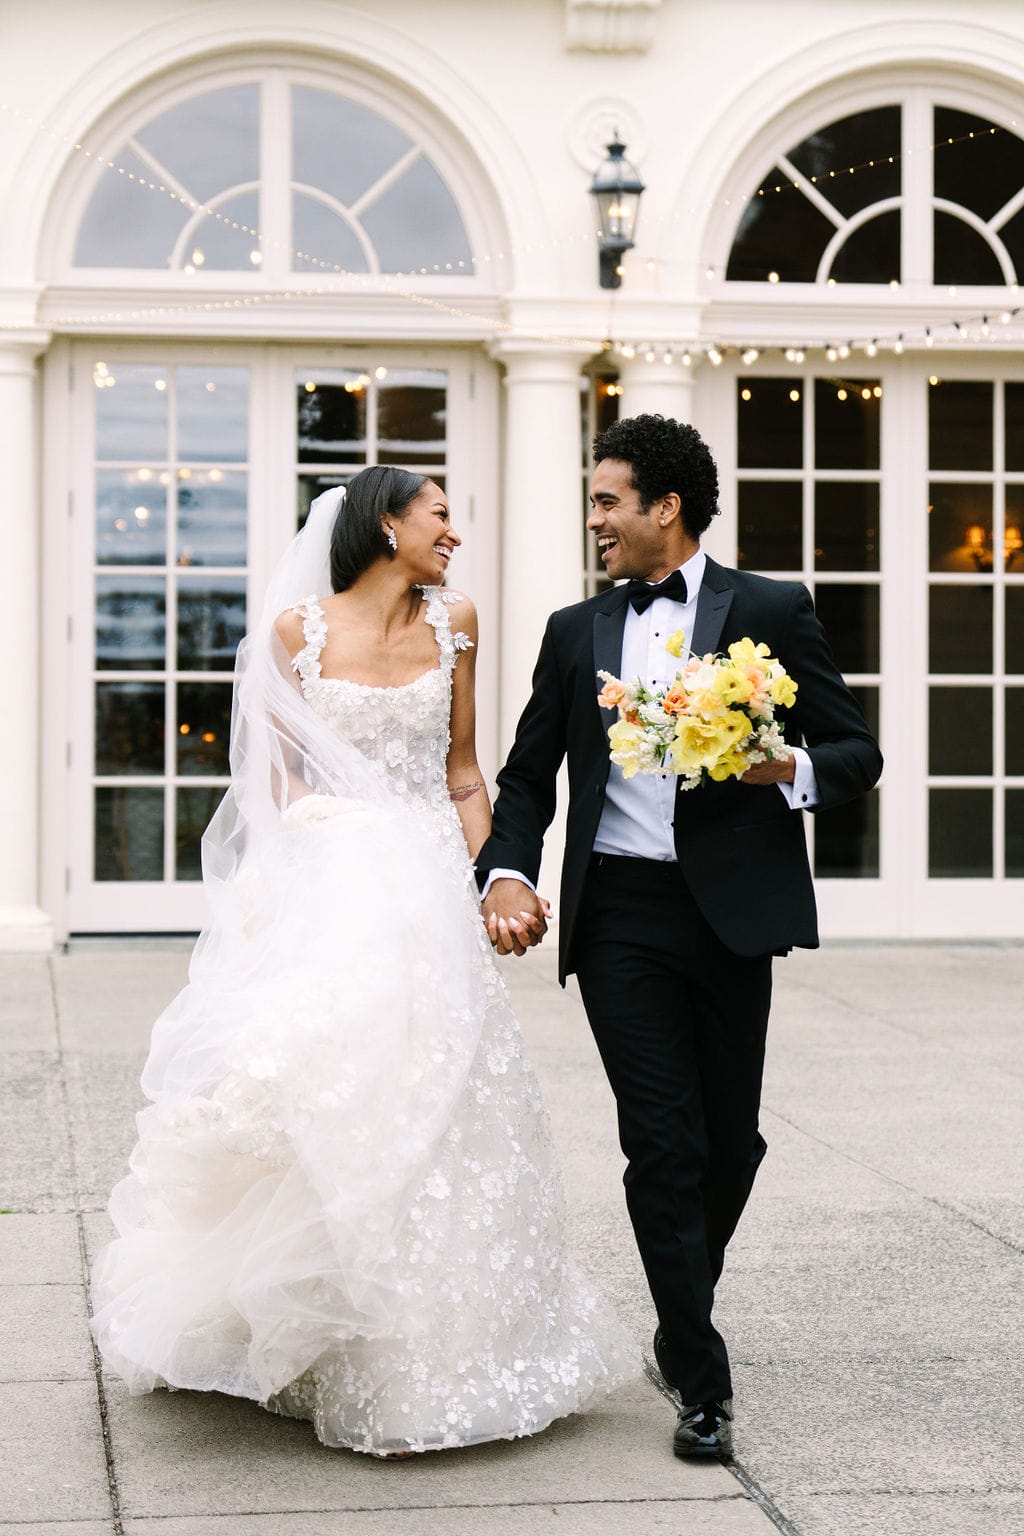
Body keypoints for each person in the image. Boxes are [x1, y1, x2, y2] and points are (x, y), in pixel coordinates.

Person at [90, 465, 637, 1458]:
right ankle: (312, 1332)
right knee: (327, 1095)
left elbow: (464, 770)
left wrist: (496, 879)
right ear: (385, 526)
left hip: (430, 882)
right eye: (438, 516)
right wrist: (338, 855)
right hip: (332, 888)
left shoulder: (456, 620)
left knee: (441, 1097)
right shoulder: (296, 632)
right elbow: (274, 783)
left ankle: (444, 1345)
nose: (453, 534)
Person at [476, 414, 883, 1460]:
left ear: (666, 508)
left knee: (727, 1142)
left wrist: (782, 771)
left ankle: (674, 1309)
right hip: (617, 913)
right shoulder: (576, 631)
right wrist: (508, 868)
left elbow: (853, 751)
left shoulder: (771, 609)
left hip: (730, 914)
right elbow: (526, 777)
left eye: (608, 499)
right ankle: (702, 1380)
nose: (594, 517)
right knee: (660, 1143)